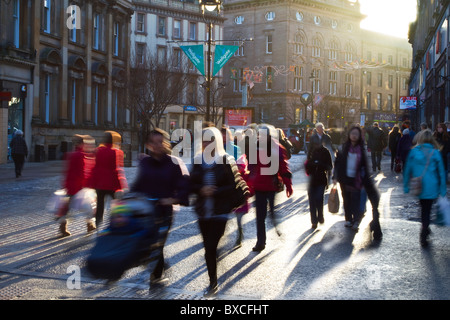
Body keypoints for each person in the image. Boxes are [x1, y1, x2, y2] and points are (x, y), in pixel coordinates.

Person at [189, 126, 248, 297]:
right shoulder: (198, 160)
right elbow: (191, 184)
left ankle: (212, 282)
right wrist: (201, 189)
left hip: (220, 211)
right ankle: (213, 277)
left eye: (211, 139)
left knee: (210, 247)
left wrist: (215, 191)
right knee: (209, 248)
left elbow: (233, 186)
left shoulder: (226, 160)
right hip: (203, 212)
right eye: (205, 140)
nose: (207, 143)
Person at [131, 128, 190, 286]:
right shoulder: (145, 163)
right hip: (147, 212)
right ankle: (159, 266)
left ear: (165, 143)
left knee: (158, 242)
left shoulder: (173, 164)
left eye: (160, 142)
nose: (157, 145)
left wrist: (171, 200)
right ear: (149, 144)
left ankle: (156, 277)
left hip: (164, 212)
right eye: (153, 142)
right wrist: (128, 197)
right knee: (150, 242)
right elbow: (138, 184)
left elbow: (184, 188)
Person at [247, 124, 293, 252]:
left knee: (271, 212)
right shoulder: (255, 147)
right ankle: (261, 241)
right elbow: (251, 168)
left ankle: (275, 225)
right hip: (259, 185)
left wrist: (288, 184)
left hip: (272, 185)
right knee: (260, 216)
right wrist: (249, 185)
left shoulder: (276, 148)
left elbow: (283, 167)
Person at [403, 129, 446, 247]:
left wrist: (406, 185)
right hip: (432, 186)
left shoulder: (414, 152)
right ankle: (425, 230)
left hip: (419, 186)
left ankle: (425, 229)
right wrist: (442, 189)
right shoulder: (435, 152)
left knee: (423, 209)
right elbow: (441, 172)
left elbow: (408, 169)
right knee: (428, 208)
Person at [333, 126, 372, 231]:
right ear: (349, 135)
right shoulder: (343, 147)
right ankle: (348, 219)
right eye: (352, 133)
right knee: (346, 199)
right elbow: (337, 163)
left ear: (359, 136)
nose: (354, 136)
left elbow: (365, 165)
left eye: (356, 134)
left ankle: (356, 220)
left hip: (357, 179)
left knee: (356, 200)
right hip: (344, 178)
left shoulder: (362, 149)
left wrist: (367, 178)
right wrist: (335, 176)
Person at [56, 135, 96, 237]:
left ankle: (63, 226)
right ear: (83, 144)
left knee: (67, 207)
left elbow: (67, 170)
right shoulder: (83, 155)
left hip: (70, 184)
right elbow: (83, 172)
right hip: (79, 186)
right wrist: (88, 184)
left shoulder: (71, 154)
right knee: (89, 206)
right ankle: (90, 224)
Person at [88, 131, 128, 228]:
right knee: (117, 203)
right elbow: (116, 169)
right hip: (111, 183)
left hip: (100, 183)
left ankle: (98, 224)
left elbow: (94, 167)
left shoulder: (98, 151)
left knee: (100, 205)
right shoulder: (116, 152)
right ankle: (117, 222)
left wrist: (92, 182)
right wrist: (121, 185)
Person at [305, 141, 332, 229]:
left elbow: (330, 166)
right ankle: (314, 221)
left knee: (319, 199)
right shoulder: (311, 151)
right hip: (312, 180)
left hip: (321, 179)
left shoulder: (325, 151)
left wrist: (320, 164)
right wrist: (311, 164)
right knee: (312, 201)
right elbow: (307, 164)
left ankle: (320, 216)